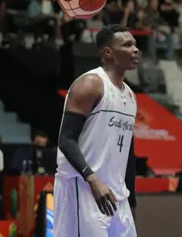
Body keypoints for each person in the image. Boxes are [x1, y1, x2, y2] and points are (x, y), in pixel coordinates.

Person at [53, 25, 140, 237]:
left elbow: (127, 152)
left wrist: (131, 199)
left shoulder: (130, 95)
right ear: (107, 52)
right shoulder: (90, 84)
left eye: (135, 44)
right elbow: (66, 140)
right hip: (83, 188)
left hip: (117, 195)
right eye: (127, 45)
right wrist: (92, 180)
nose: (135, 49)